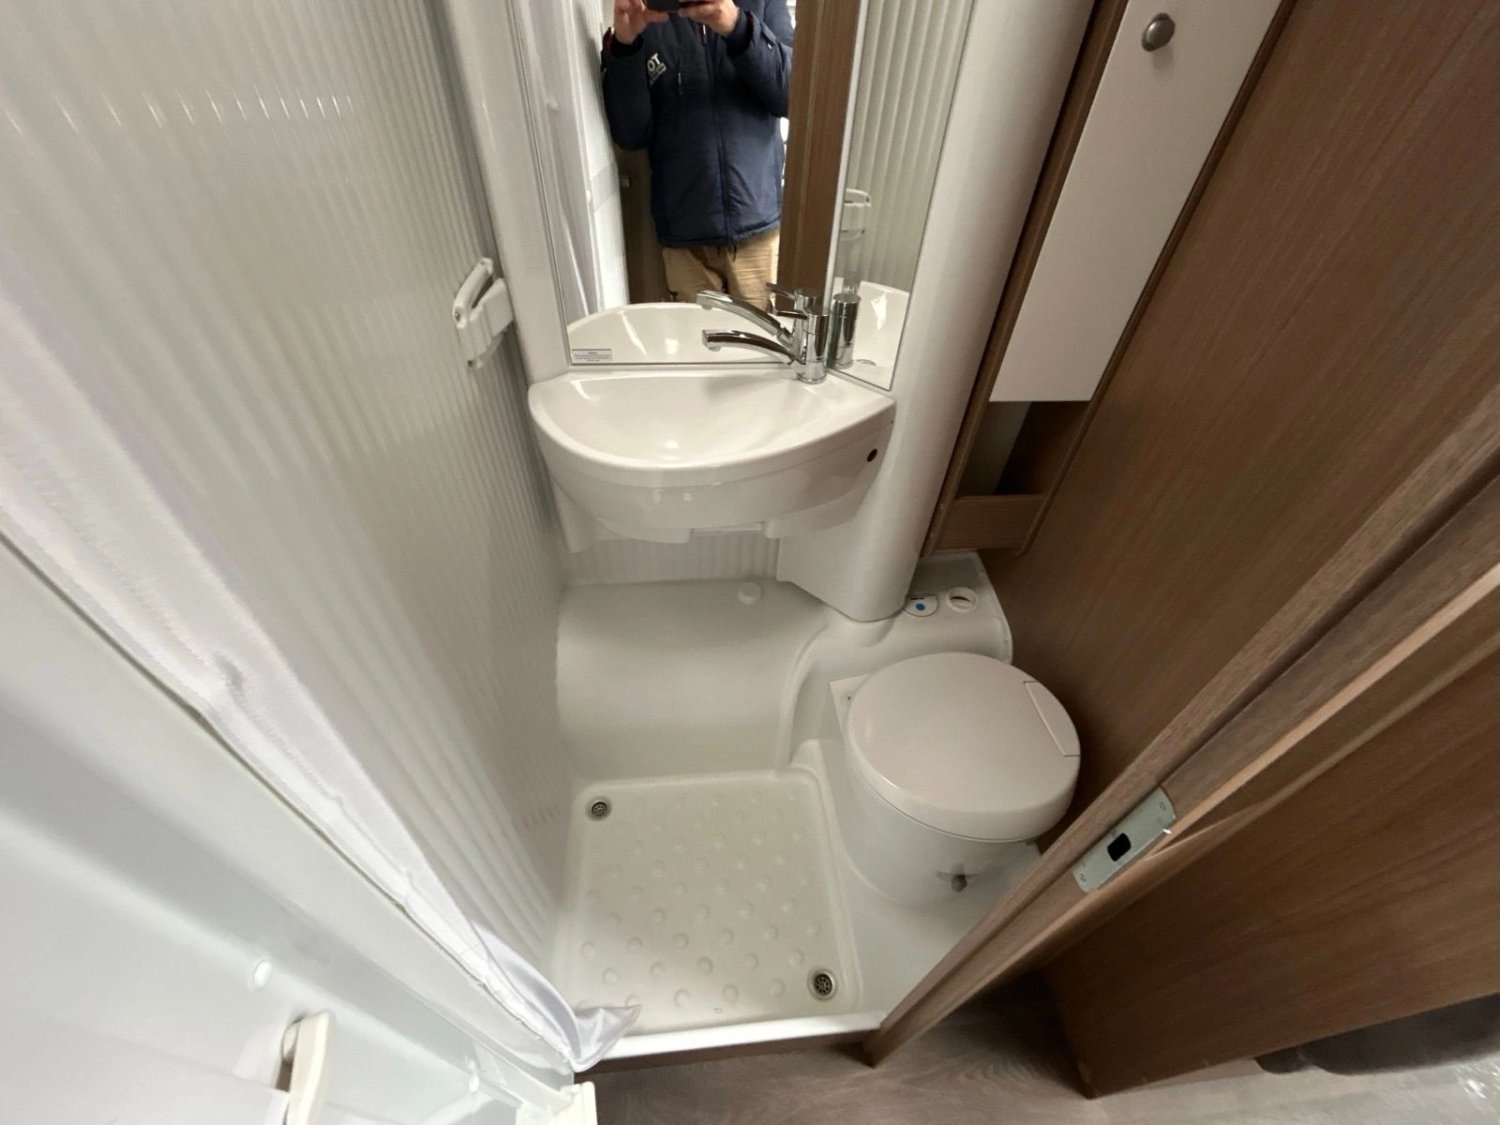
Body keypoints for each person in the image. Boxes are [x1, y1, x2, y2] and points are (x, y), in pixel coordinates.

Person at [601, 0, 792, 309]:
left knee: (766, 338)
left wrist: (735, 25)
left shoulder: (762, 3)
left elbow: (792, 95)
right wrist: (625, 46)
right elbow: (631, 134)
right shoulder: (649, 13)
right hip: (685, 238)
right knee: (692, 340)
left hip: (758, 229)